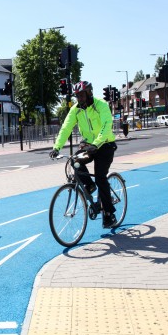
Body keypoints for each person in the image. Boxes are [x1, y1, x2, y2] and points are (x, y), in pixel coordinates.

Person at [49, 81, 118, 228]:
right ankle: (89, 185)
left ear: (89, 93)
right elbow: (66, 128)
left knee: (100, 177)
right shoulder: (76, 110)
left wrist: (96, 144)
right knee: (75, 161)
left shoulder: (101, 105)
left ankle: (109, 215)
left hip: (105, 145)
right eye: (77, 96)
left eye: (81, 95)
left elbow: (107, 126)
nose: (79, 98)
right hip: (89, 146)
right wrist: (57, 147)